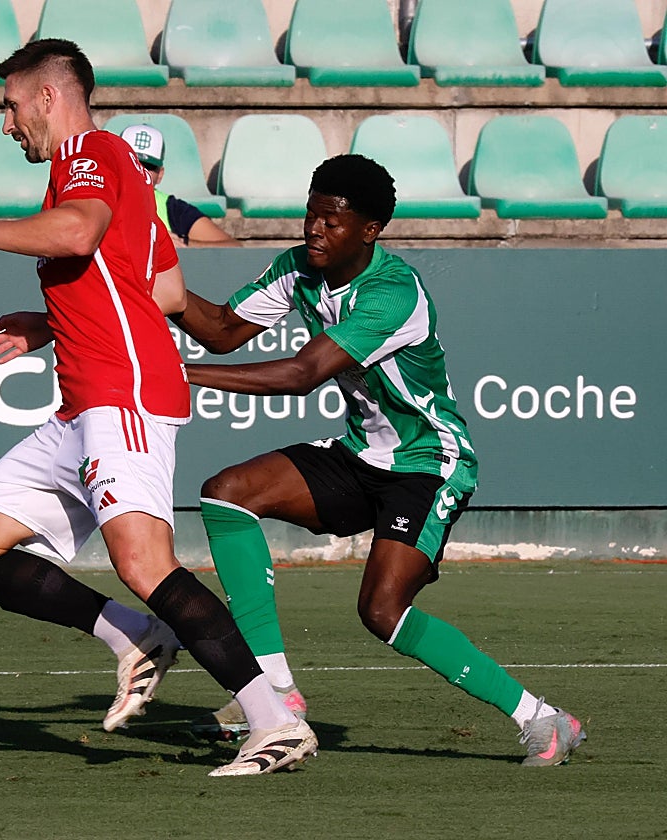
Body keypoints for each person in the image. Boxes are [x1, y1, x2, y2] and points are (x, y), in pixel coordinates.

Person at [0, 38, 315, 776]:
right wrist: (49, 323)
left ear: (48, 98)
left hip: (123, 394)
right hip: (84, 399)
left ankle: (273, 720)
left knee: (145, 561)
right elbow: (160, 293)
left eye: (11, 105)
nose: (6, 122)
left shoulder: (88, 153)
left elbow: (78, 231)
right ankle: (133, 636)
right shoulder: (120, 174)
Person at [171, 153, 587, 767]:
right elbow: (224, 329)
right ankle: (276, 694)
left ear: (369, 230)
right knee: (227, 491)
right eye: (311, 214)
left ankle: (543, 720)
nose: (314, 229)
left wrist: (177, 374)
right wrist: (157, 287)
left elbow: (301, 373)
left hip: (428, 462)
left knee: (382, 611)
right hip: (363, 453)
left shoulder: (393, 293)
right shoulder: (298, 268)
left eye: (331, 221)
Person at [118, 123, 241, 249]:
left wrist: (183, 244)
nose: (140, 171)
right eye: (132, 162)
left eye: (148, 167)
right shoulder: (99, 201)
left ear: (160, 174)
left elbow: (234, 248)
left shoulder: (172, 209)